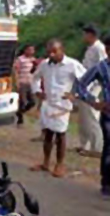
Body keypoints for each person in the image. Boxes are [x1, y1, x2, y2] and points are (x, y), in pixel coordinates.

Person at [30, 39, 86, 178]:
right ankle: (45, 163)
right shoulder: (44, 65)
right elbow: (35, 78)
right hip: (48, 103)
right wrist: (37, 90)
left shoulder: (72, 65)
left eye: (55, 51)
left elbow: (87, 80)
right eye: (49, 52)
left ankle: (59, 164)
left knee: (60, 135)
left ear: (62, 50)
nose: (52, 54)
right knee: (47, 134)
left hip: (62, 105)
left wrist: (76, 94)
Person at [75, 34, 110, 197]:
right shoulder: (101, 68)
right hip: (108, 114)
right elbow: (81, 85)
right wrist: (94, 102)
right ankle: (106, 184)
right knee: (109, 148)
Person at [76, 25, 106, 157]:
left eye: (86, 34)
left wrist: (96, 87)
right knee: (84, 117)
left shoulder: (99, 48)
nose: (84, 37)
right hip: (85, 84)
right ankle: (85, 145)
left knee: (92, 116)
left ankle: (97, 147)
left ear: (92, 35)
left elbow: (102, 67)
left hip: (94, 85)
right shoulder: (90, 48)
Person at [14, 45, 37, 126]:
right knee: (22, 102)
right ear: (25, 50)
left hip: (30, 83)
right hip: (22, 82)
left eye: (33, 50)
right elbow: (16, 71)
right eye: (30, 49)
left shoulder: (33, 60)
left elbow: (34, 71)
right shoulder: (20, 59)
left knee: (32, 102)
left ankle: (19, 113)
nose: (31, 51)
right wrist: (17, 82)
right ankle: (20, 118)